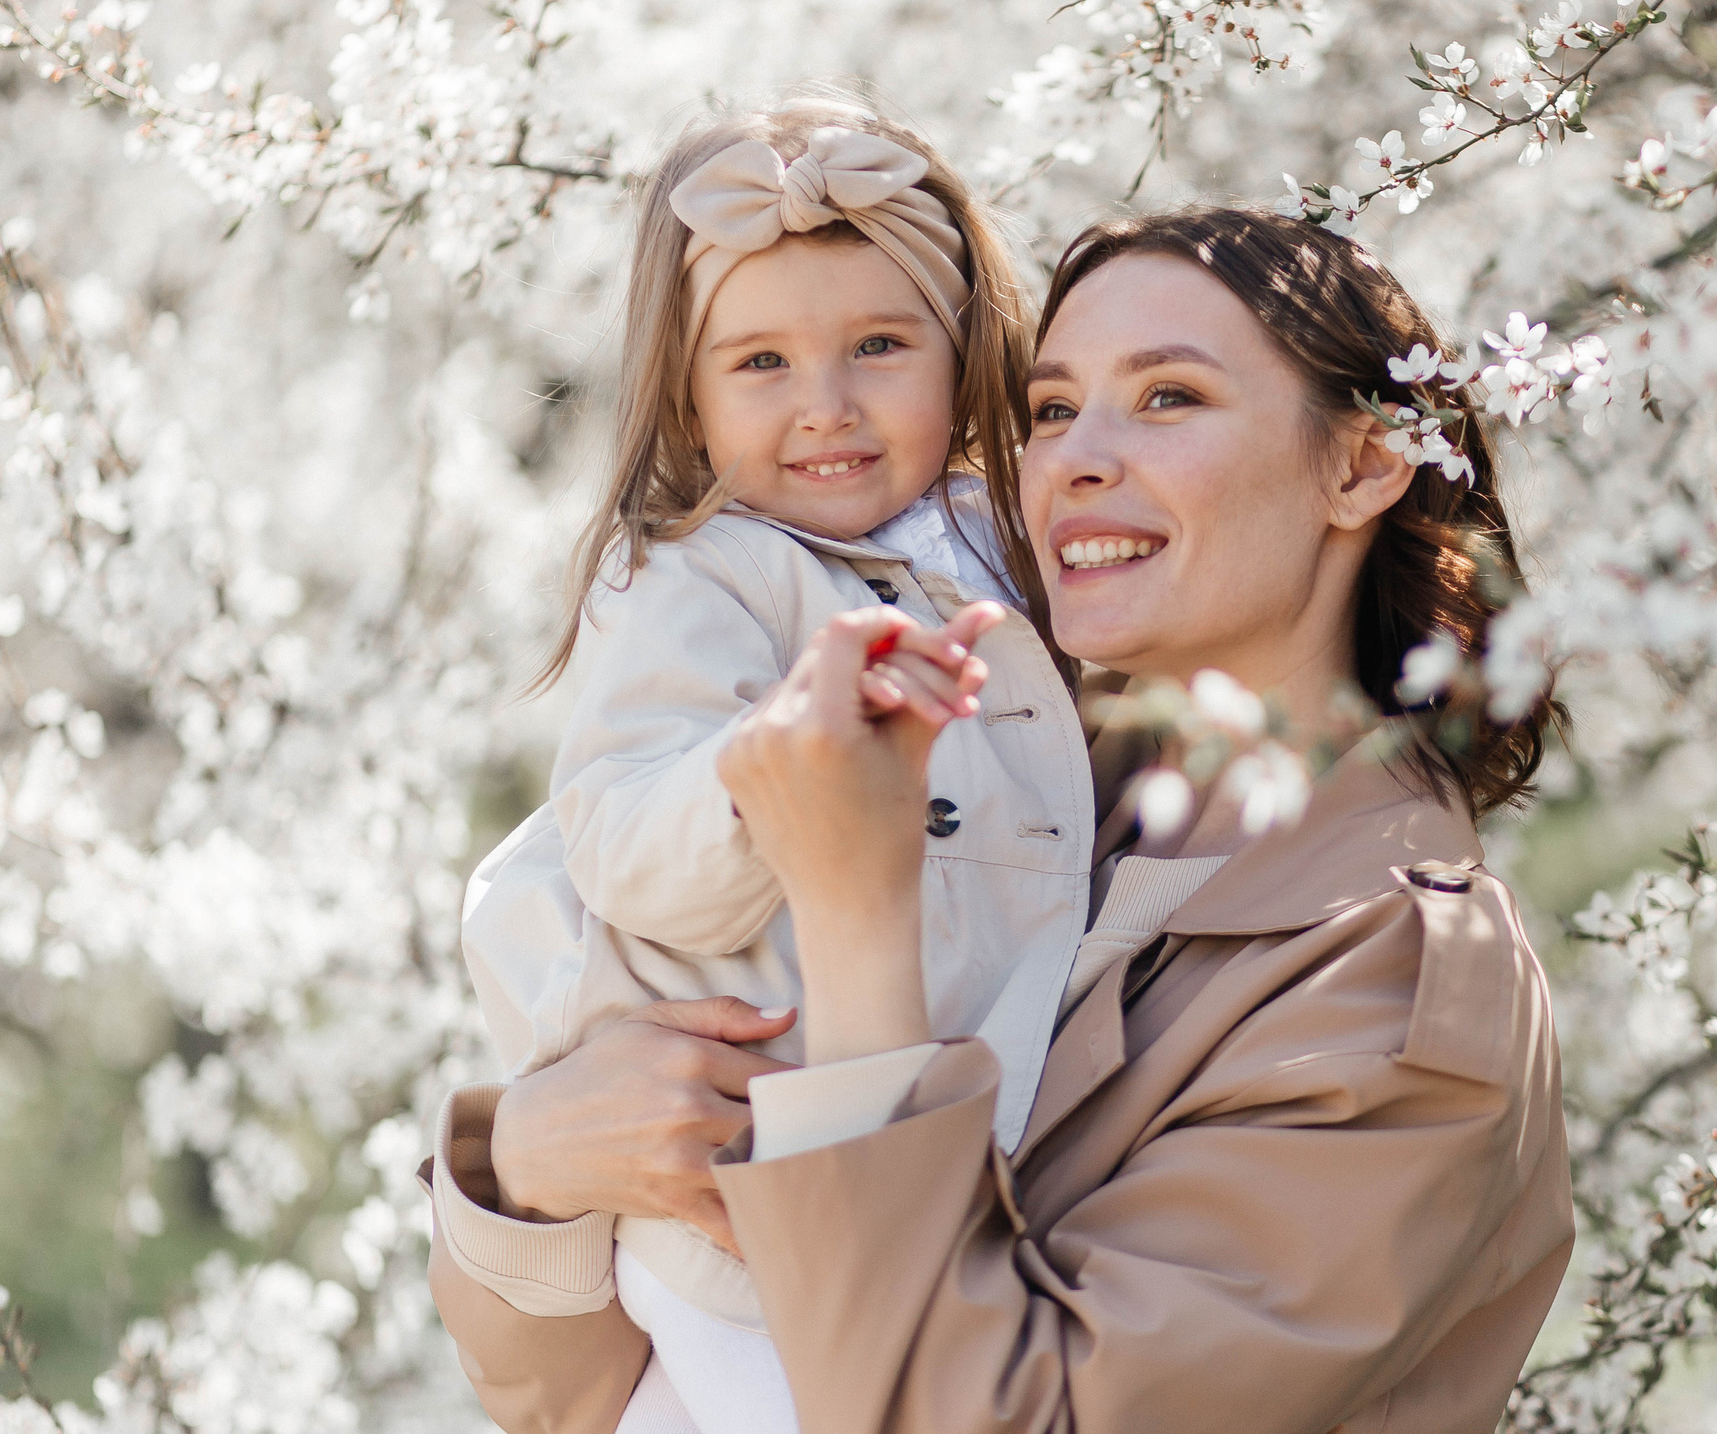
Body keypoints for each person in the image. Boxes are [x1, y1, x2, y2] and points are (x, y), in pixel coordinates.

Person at [426, 204, 1579, 1434]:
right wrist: (537, 1169)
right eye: (1048, 410)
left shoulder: (1396, 986)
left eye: (1169, 398)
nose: (1074, 459)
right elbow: (570, 1401)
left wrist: (855, 915)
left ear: (1358, 467)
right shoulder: (1024, 797)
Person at [453, 94, 1094, 1432]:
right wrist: (760, 768)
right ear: (684, 400)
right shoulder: (704, 577)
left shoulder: (999, 545)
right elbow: (622, 840)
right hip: (739, 1214)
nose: (829, 406)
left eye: (879, 343)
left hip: (929, 1178)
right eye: (760, 364)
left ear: (963, 348)